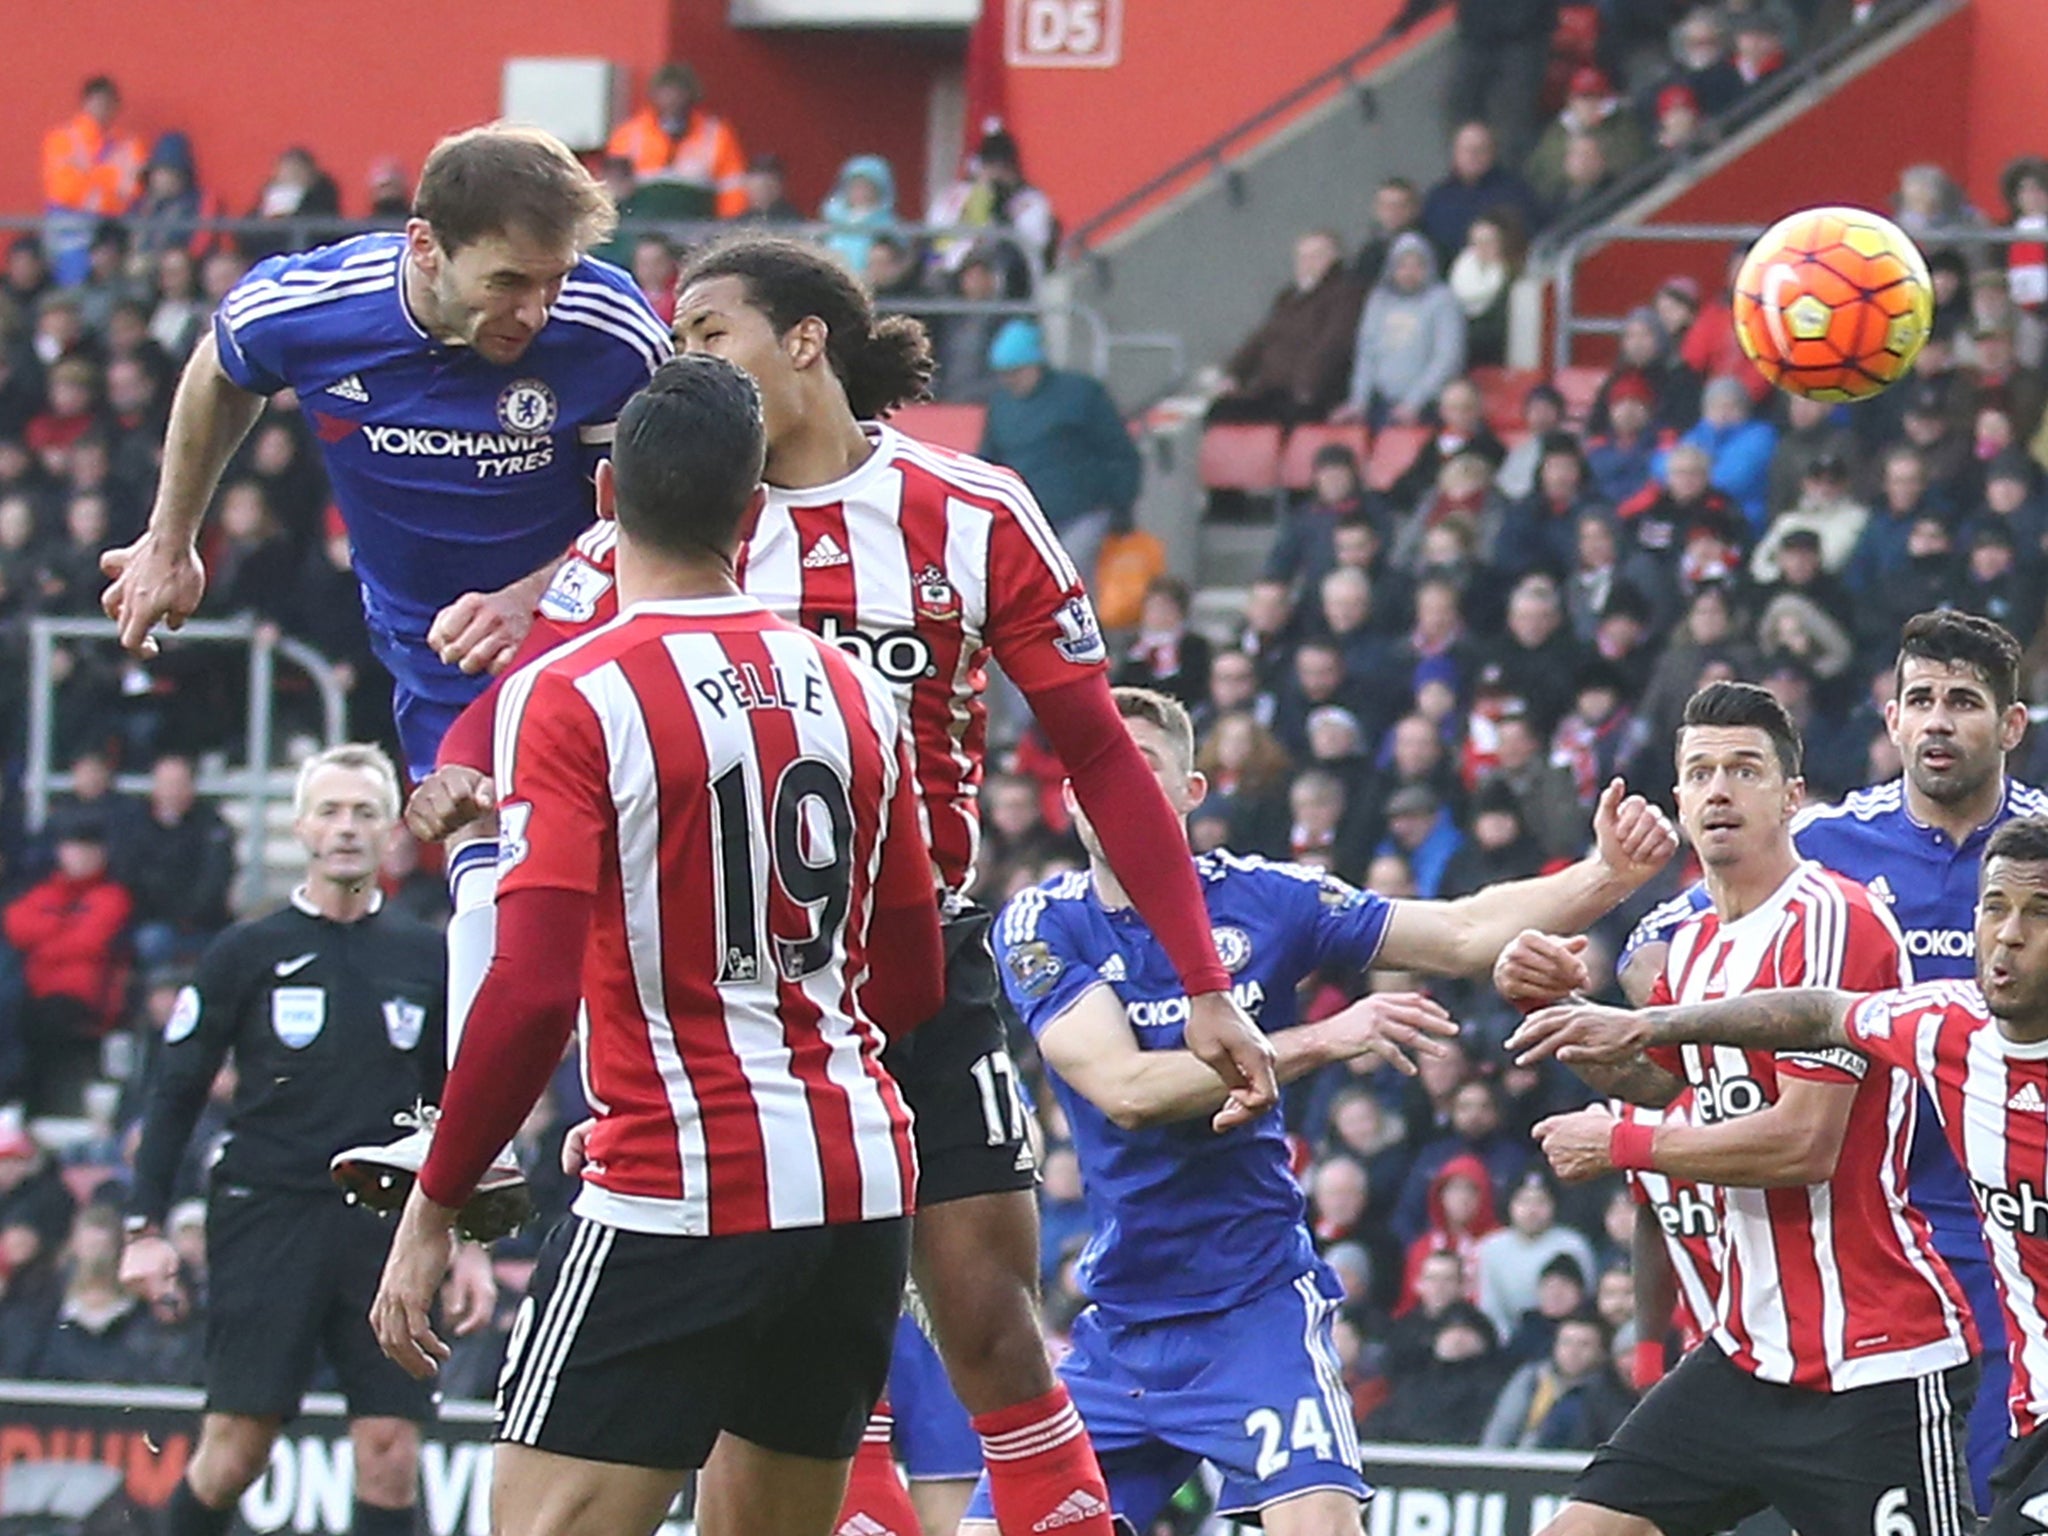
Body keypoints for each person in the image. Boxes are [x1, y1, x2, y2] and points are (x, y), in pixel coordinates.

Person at [402, 234, 1279, 1536]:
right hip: (723, 993)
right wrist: (456, 773)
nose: (681, 356)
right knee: (809, 1382)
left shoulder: (967, 511)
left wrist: (1201, 975)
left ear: (804, 342)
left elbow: (1095, 743)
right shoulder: (688, 513)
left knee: (987, 1323)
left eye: (708, 332)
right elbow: (517, 699)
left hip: (910, 962)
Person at [369, 354, 942, 1536]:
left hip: (682, 1182)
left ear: (601, 504)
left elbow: (526, 992)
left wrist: (434, 1203)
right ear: (751, 511)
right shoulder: (855, 689)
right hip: (855, 1180)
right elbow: (915, 973)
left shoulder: (573, 691)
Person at [961, 686, 1674, 1533]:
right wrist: (1320, 1039)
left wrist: (1605, 876)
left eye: (1137, 768)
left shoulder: (1266, 898)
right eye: (1092, 772)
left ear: (1193, 794)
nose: (1109, 788)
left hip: (1254, 1308)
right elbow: (1127, 1093)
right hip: (1118, 1329)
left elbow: (1456, 931)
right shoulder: (1043, 924)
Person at [1491, 680, 1977, 1536]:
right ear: (1678, 799)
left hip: (1872, 1363)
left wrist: (1623, 1146)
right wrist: (1555, 1012)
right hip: (1744, 1357)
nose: (1719, 790)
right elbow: (1684, 1089)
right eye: (1701, 772)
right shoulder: (1697, 947)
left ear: (1792, 798)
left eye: (1745, 770)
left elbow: (1802, 1142)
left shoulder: (1833, 920)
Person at [1603, 610, 2048, 1507]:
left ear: (2010, 727)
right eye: (1918, 700)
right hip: (1885, 1221)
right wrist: (1674, 1029)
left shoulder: (2038, 852)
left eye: (1962, 703)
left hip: (2021, 1225)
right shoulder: (1830, 841)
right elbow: (1656, 947)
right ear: (1890, 722)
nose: (1936, 722)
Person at [98, 122, 667, 786]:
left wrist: (531, 598)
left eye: (556, 280)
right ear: (426, 246)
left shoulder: (611, 331)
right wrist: (171, 538)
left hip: (588, 638)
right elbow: (218, 372)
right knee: (478, 849)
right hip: (433, 651)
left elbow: (653, 516)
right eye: (508, 281)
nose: (536, 312)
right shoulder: (313, 306)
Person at [119, 744, 495, 1536]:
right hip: (268, 1215)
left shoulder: (428, 957)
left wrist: (467, 1240)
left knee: (391, 1452)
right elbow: (176, 1090)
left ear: (395, 830)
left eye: (364, 811)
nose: (347, 828)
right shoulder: (244, 953)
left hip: (386, 1228)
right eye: (329, 810)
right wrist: (144, 1227)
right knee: (237, 1452)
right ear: (299, 827)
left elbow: (461, 1105)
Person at [979, 319, 1142, 591]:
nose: (1009, 380)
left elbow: (1119, 451)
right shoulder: (1001, 405)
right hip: (1027, 520)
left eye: (1015, 372)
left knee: (1068, 583)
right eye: (1004, 373)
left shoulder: (1081, 395)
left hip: (1083, 513)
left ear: (1036, 365)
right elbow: (990, 458)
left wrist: (1121, 505)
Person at [1208, 230, 1366, 426]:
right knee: (1221, 410)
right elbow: (1261, 338)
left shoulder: (1346, 293)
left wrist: (1307, 386)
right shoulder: (1289, 296)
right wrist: (1233, 374)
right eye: (1302, 257)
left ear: (1334, 259)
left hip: (1310, 394)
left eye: (1315, 257)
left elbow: (1334, 343)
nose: (1306, 264)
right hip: (1270, 390)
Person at [1330, 235, 1467, 428]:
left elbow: (1447, 357)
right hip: (1380, 402)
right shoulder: (1379, 299)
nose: (1409, 272)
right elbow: (1367, 353)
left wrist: (1414, 402)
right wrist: (1358, 401)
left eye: (1417, 265)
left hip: (1426, 405)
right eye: (1402, 265)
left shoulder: (1443, 300)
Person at [604, 61, 748, 218]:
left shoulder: (716, 134)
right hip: (642, 224)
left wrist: (728, 227)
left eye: (678, 92)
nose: (672, 99)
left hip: (697, 223)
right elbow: (613, 187)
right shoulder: (629, 134)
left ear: (692, 94)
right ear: (654, 94)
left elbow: (732, 189)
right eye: (665, 92)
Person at [41, 77, 145, 286]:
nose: (102, 109)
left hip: (114, 228)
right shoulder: (61, 140)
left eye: (108, 103)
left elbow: (134, 190)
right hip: (69, 224)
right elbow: (64, 191)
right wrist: (110, 183)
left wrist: (88, 176)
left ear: (117, 106)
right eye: (97, 102)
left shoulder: (131, 144)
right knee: (71, 286)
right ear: (85, 103)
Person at [1418, 122, 1544, 266]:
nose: (1473, 156)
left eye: (1480, 149)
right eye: (1467, 150)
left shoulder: (1517, 192)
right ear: (1455, 153)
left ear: (1493, 152)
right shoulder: (1437, 198)